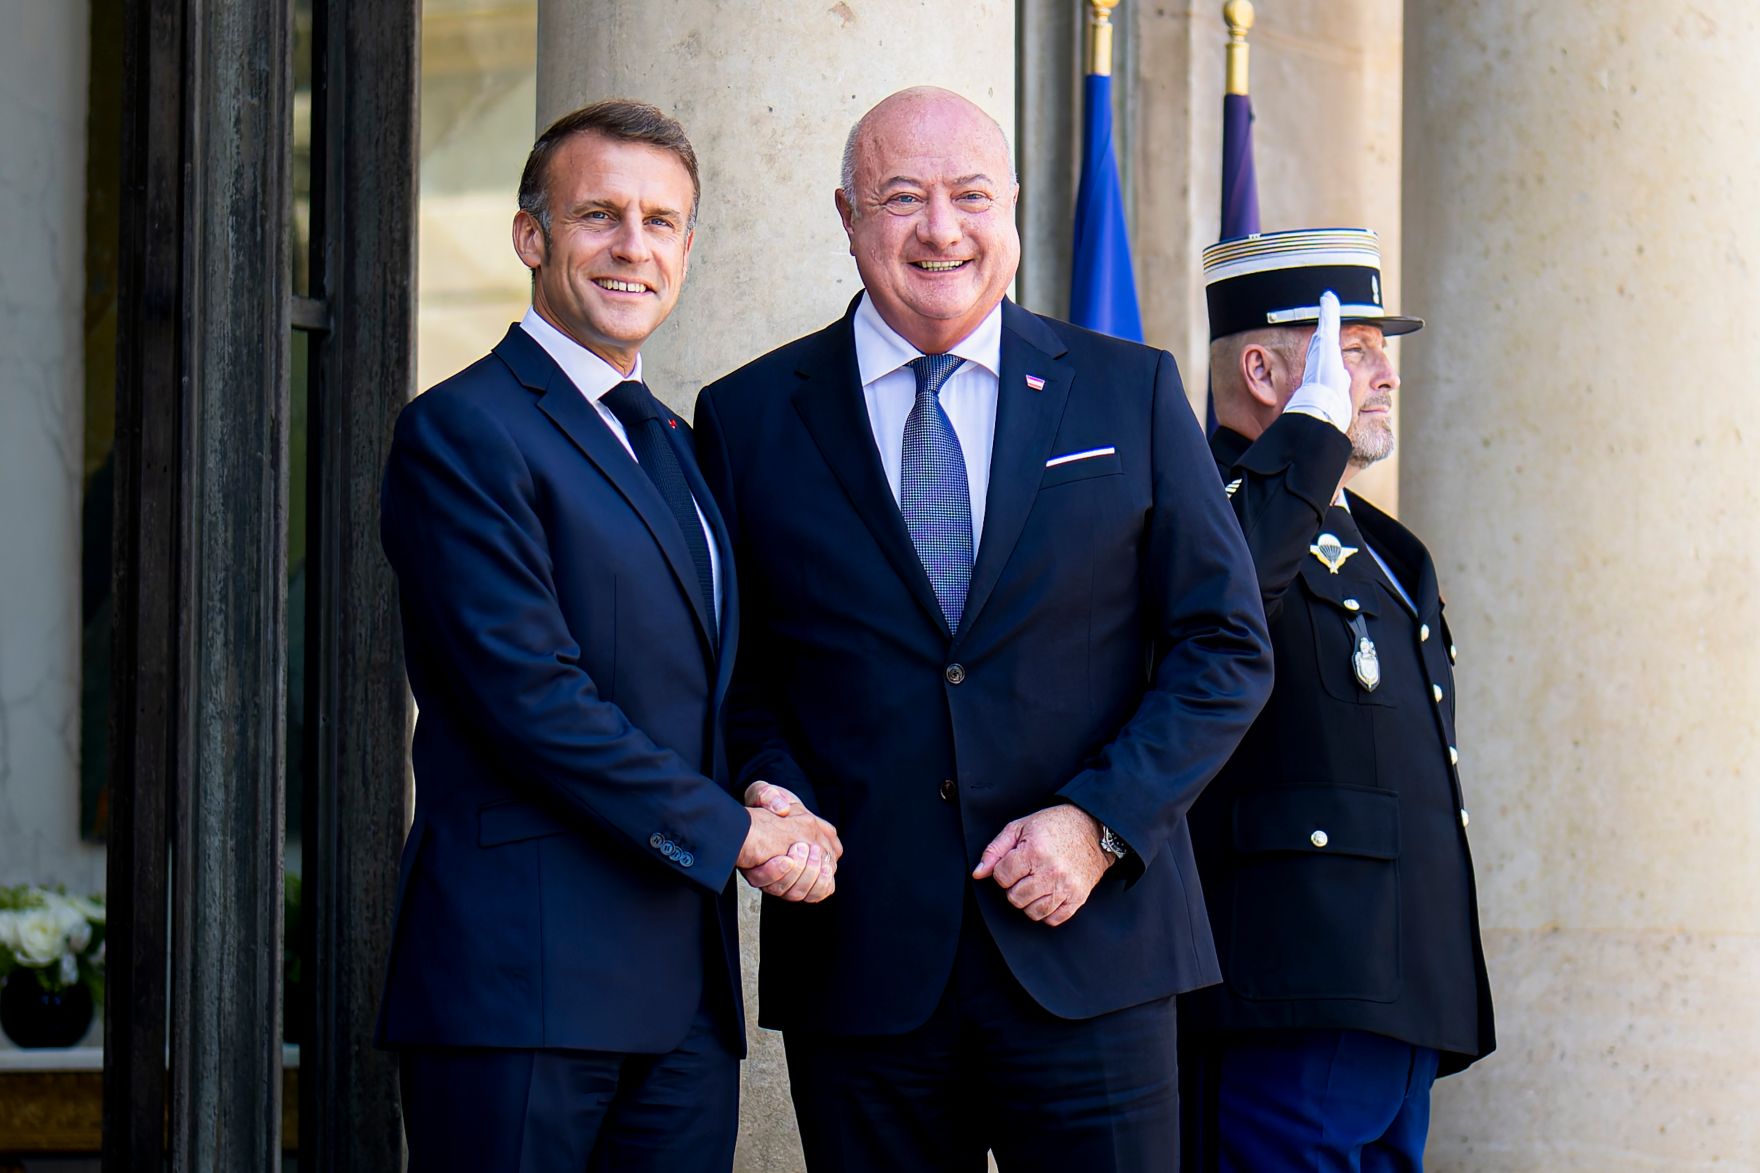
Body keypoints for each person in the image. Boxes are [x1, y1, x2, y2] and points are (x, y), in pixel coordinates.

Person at [694, 86, 1273, 1171]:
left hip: (1092, 954)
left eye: (969, 195)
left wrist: (1098, 823)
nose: (939, 229)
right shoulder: (746, 417)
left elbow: (1224, 647)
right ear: (846, 215)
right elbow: (734, 675)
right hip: (862, 963)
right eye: (900, 197)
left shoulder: (1126, 394)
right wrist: (768, 784)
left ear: (1011, 206)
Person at [375, 99, 841, 1173]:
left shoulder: (670, 442)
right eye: (600, 215)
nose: (635, 246)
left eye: (662, 221)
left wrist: (769, 781)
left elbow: (710, 687)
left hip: (679, 1001)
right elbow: (532, 701)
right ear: (531, 237)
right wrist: (738, 835)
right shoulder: (463, 430)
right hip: (522, 987)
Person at [1180, 229, 1496, 1171]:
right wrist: (1308, 448)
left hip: (1393, 994)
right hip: (1291, 993)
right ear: (1266, 367)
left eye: (1379, 349)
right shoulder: (1207, 504)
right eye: (1352, 350)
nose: (1383, 374)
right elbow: (1213, 614)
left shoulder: (1389, 549)